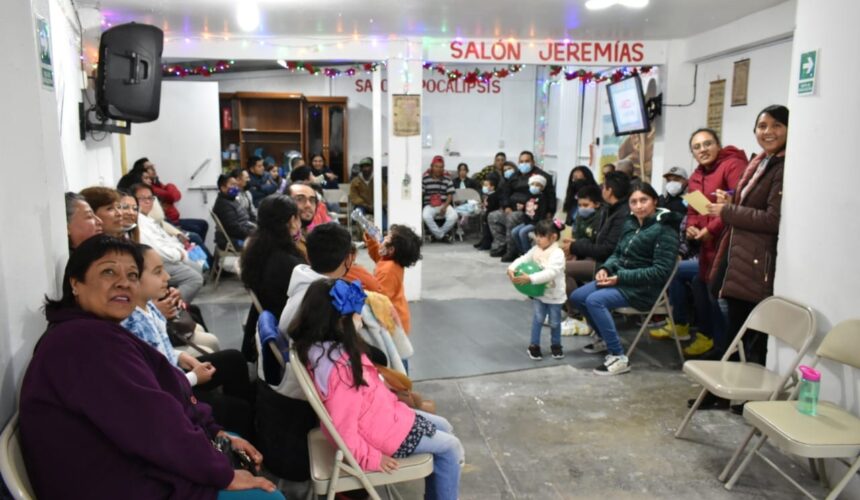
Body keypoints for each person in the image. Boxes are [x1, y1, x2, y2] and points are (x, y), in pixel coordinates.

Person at [19, 235, 280, 499]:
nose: (124, 282)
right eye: (108, 271)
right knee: (267, 496)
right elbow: (154, 425)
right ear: (76, 283)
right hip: (118, 482)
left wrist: (215, 433)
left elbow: (157, 405)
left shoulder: (90, 331)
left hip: (124, 468)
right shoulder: (85, 343)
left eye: (132, 275)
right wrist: (222, 472)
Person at [288, 279, 464, 500]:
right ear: (342, 322)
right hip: (382, 433)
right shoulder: (342, 372)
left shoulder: (320, 350)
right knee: (450, 448)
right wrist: (371, 457)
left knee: (444, 427)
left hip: (381, 418)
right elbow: (344, 429)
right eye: (356, 315)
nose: (360, 319)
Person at [123, 244, 255, 439]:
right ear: (134, 279)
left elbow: (159, 349)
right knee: (239, 409)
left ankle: (249, 419)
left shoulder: (148, 306)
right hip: (172, 392)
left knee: (234, 360)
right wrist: (193, 378)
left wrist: (181, 356)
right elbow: (155, 386)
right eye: (158, 272)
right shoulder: (133, 323)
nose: (167, 277)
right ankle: (245, 443)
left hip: (174, 375)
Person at [570, 183, 679, 375]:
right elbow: (617, 254)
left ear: (654, 201)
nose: (639, 206)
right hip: (620, 280)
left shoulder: (665, 229)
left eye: (643, 200)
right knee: (578, 296)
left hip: (644, 289)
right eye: (634, 202)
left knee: (595, 300)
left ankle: (619, 357)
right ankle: (605, 339)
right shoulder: (631, 224)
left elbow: (660, 272)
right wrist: (605, 268)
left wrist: (618, 278)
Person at [709, 105, 789, 367]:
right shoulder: (760, 161)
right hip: (738, 253)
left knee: (748, 333)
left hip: (755, 260)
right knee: (735, 326)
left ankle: (739, 392)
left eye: (776, 125)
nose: (768, 132)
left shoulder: (783, 166)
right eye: (762, 126)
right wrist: (731, 199)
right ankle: (725, 385)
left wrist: (728, 210)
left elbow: (772, 219)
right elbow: (751, 205)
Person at [678, 127, 747, 357]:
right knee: (709, 294)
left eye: (707, 144)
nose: (703, 150)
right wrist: (692, 228)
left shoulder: (733, 165)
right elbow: (694, 209)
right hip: (707, 250)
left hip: (730, 246)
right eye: (696, 147)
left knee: (723, 302)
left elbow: (735, 204)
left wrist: (710, 229)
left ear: (718, 145)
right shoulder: (696, 176)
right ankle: (717, 347)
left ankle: (731, 353)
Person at [240, 195, 306, 361]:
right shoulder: (288, 263)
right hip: (289, 326)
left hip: (273, 315)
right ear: (292, 221)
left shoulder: (256, 248)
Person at [507, 219, 568, 360]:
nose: (538, 239)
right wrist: (511, 268)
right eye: (536, 236)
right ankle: (534, 346)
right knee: (538, 319)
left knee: (554, 322)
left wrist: (531, 278)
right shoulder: (535, 250)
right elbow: (523, 259)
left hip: (555, 295)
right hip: (539, 294)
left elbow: (552, 272)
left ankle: (556, 345)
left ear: (553, 237)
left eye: (541, 236)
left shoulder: (558, 253)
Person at [134, 183, 205, 303]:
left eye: (150, 198)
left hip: (170, 256)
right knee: (195, 279)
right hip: (158, 261)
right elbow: (156, 251)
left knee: (197, 267)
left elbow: (166, 239)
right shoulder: (139, 221)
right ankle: (172, 307)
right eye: (142, 199)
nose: (147, 202)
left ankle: (180, 304)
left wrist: (180, 250)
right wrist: (179, 255)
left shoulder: (149, 219)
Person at [363, 224, 423, 335]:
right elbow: (377, 254)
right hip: (397, 316)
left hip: (394, 324)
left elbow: (378, 298)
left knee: (390, 351)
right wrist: (371, 238)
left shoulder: (388, 270)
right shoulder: (390, 259)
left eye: (387, 238)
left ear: (391, 250)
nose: (383, 238)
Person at [560, 185, 603, 336]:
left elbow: (596, 245)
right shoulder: (579, 217)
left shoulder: (601, 218)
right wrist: (572, 248)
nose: (582, 208)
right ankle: (559, 307)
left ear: (597, 204)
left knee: (563, 269)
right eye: (580, 205)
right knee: (555, 261)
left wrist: (576, 246)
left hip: (599, 261)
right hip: (583, 254)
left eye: (586, 205)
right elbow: (577, 238)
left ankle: (576, 314)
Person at [505, 175, 550, 260]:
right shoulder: (529, 196)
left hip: (536, 223)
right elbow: (527, 209)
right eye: (532, 184)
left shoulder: (543, 198)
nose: (534, 187)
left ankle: (528, 255)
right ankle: (521, 252)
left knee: (522, 232)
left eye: (537, 185)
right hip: (527, 221)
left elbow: (542, 213)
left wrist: (539, 225)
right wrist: (522, 208)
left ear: (542, 187)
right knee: (514, 232)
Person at [213, 173, 257, 250]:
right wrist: (253, 234)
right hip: (234, 240)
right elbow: (234, 229)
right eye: (233, 185)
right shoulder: (224, 205)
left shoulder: (231, 199)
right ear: (223, 188)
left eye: (236, 185)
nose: (236, 188)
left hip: (242, 233)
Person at [487, 161, 519, 256]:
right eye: (505, 170)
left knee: (511, 218)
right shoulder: (503, 183)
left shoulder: (520, 180)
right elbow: (503, 197)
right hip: (508, 209)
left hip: (520, 211)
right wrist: (506, 207)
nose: (507, 172)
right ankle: (501, 245)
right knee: (492, 216)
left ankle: (510, 250)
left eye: (509, 169)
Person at [422, 155, 457, 242]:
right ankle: (441, 235)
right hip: (430, 205)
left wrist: (445, 207)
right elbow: (421, 193)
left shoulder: (447, 179)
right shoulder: (425, 179)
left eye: (441, 167)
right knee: (425, 216)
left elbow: (450, 195)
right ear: (432, 167)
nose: (438, 169)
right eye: (436, 166)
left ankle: (436, 235)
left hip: (444, 204)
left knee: (454, 216)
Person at [473, 173, 502, 250]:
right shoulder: (488, 195)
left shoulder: (494, 196)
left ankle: (486, 244)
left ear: (492, 187)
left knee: (488, 231)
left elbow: (491, 208)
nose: (484, 187)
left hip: (490, 216)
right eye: (484, 185)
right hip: (486, 215)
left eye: (486, 185)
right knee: (484, 230)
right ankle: (483, 241)